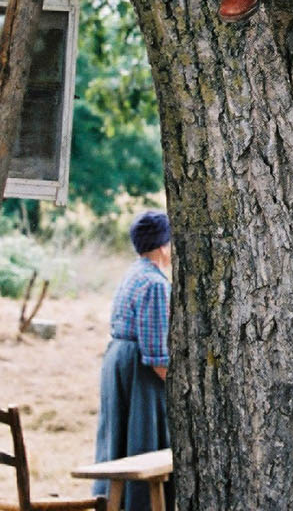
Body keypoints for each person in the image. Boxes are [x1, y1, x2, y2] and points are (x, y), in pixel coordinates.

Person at [93, 211, 175, 511]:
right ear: (163, 246)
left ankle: (114, 502)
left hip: (118, 361)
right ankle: (138, 505)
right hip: (137, 369)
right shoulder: (155, 284)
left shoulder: (133, 272)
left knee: (118, 436)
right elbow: (156, 353)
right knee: (143, 438)